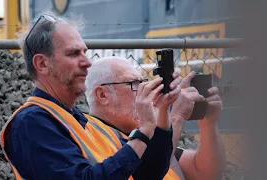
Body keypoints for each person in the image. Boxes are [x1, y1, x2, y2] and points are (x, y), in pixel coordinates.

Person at [0, 11, 183, 180]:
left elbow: (149, 174)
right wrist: (143, 132)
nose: (87, 62)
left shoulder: (84, 122)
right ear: (42, 64)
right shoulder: (32, 123)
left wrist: (162, 111)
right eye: (73, 53)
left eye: (85, 52)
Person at [85, 56, 227, 180]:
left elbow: (205, 174)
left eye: (143, 83)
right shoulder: (90, 136)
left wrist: (208, 122)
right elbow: (148, 172)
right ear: (102, 95)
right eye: (134, 84)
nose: (144, 91)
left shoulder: (147, 136)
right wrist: (177, 116)